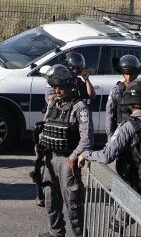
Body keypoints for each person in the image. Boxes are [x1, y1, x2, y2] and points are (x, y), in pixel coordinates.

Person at [78, 79, 141, 236]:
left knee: (117, 225)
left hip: (133, 187)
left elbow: (107, 155)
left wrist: (86, 154)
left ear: (130, 103)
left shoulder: (128, 126)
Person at [37, 64, 92, 237]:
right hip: (49, 157)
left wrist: (74, 156)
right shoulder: (53, 102)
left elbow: (87, 138)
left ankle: (79, 234)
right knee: (50, 200)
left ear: (70, 86)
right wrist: (39, 145)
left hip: (68, 160)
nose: (58, 90)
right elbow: (45, 126)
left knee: (73, 203)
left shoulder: (79, 107)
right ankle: (56, 233)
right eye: (55, 87)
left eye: (61, 87)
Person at [106, 53, 141, 136]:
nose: (129, 77)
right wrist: (110, 137)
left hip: (140, 131)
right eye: (127, 74)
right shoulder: (116, 91)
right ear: (123, 73)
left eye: (131, 74)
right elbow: (110, 116)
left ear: (136, 73)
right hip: (121, 131)